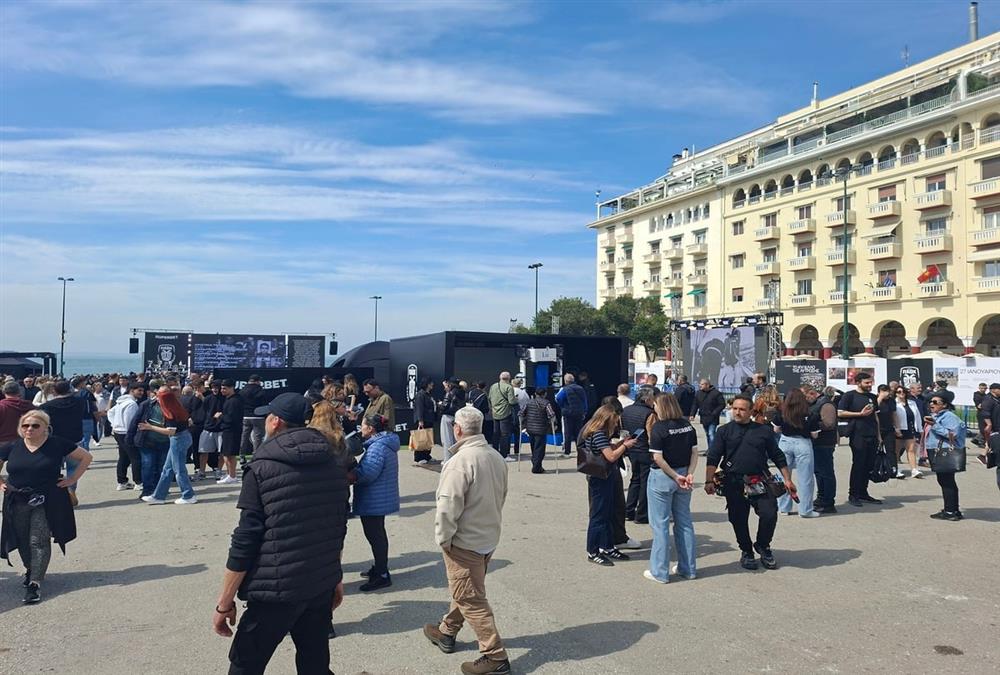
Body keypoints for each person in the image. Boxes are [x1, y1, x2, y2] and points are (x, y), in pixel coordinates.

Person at [212, 393, 349, 674]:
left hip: (275, 590)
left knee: (244, 664)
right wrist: (335, 577)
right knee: (315, 662)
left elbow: (245, 539)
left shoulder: (261, 467)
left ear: (275, 421)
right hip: (318, 583)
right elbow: (336, 526)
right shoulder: (333, 464)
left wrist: (225, 602)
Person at [423, 406, 510, 675]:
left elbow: (448, 507)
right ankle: (447, 630)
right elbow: (502, 495)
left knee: (470, 597)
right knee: (467, 587)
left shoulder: (459, 462)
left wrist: (443, 539)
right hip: (488, 536)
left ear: (456, 429)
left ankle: (494, 655)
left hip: (464, 541)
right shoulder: (495, 456)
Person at [0, 410, 92, 604]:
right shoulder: (12, 446)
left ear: (45, 428)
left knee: (38, 539)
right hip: (17, 499)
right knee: (22, 539)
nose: (30, 429)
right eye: (25, 426)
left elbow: (86, 458)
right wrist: (0, 482)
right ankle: (31, 569)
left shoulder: (57, 444)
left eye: (35, 425)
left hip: (47, 498)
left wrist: (72, 479)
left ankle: (35, 582)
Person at [705, 395, 795, 571]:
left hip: (759, 479)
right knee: (738, 519)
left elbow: (777, 455)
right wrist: (709, 480)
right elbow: (713, 456)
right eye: (735, 408)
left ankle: (763, 546)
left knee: (769, 513)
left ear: (751, 411)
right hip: (733, 481)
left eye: (742, 409)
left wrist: (788, 479)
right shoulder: (724, 431)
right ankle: (746, 551)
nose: (737, 412)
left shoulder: (764, 431)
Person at [645, 393, 698, 584]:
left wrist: (675, 476)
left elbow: (658, 458)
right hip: (684, 472)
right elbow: (694, 453)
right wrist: (689, 473)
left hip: (663, 476)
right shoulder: (687, 426)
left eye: (656, 405)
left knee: (660, 525)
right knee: (684, 522)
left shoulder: (659, 428)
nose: (654, 408)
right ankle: (688, 568)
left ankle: (660, 571)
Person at [580, 404, 637, 566]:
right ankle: (593, 550)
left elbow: (607, 450)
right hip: (600, 477)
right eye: (616, 418)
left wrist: (621, 444)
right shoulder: (598, 434)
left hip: (605, 475)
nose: (618, 421)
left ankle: (607, 546)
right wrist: (624, 446)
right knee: (598, 515)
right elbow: (611, 456)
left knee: (607, 512)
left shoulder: (600, 433)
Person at [352, 414, 400, 591]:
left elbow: (367, 474)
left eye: (363, 426)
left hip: (374, 499)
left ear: (371, 429)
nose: (361, 428)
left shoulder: (377, 447)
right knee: (377, 534)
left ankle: (382, 573)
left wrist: (352, 471)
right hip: (378, 498)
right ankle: (380, 567)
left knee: (375, 536)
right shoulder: (382, 444)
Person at [141, 386, 197, 505]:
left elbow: (171, 431)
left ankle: (188, 495)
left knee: (179, 469)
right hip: (182, 437)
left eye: (159, 397)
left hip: (178, 439)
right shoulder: (177, 407)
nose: (156, 398)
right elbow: (188, 422)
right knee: (167, 469)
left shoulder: (170, 412)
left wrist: (150, 427)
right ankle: (159, 496)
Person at [772, 389, 820, 518]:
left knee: (783, 476)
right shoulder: (810, 414)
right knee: (805, 478)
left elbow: (776, 429)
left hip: (785, 442)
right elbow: (815, 434)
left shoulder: (782, 413)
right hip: (803, 443)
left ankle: (783, 507)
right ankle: (805, 510)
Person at [837, 372, 882, 507]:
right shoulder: (849, 396)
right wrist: (859, 414)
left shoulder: (873, 397)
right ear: (858, 382)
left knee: (869, 465)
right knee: (858, 464)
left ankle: (863, 492)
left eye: (871, 382)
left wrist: (879, 436)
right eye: (867, 383)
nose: (870, 385)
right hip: (858, 434)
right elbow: (840, 412)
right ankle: (853, 494)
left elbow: (876, 417)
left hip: (872, 434)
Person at [40, 380, 86, 506]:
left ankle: (56, 493)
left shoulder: (47, 406)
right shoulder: (80, 401)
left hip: (56, 441)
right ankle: (71, 489)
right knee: (73, 470)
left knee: (53, 469)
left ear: (54, 391)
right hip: (76, 439)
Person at [924, 395, 966, 521]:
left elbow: (953, 434)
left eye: (936, 402)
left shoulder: (949, 416)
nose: (932, 404)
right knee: (945, 481)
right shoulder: (938, 416)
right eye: (931, 401)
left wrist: (935, 425)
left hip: (945, 452)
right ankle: (952, 509)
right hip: (938, 451)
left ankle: (950, 511)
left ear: (945, 405)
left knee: (946, 481)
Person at [622, 387, 656, 524]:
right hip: (644, 450)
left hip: (631, 448)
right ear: (647, 399)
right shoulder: (650, 414)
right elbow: (651, 435)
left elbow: (623, 430)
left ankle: (628, 510)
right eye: (653, 399)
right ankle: (642, 514)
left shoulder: (626, 410)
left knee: (635, 480)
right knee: (645, 482)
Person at [802, 385, 839, 513]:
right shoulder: (817, 403)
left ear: (812, 393)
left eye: (805, 396)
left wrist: (808, 424)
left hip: (825, 443)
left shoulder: (826, 404)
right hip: (817, 443)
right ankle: (821, 497)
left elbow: (829, 423)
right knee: (819, 472)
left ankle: (828, 501)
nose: (804, 400)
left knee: (826, 473)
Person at [109, 382, 144, 490]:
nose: (141, 393)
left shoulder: (121, 401)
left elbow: (110, 412)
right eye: (139, 390)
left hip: (118, 432)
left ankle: (122, 482)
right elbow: (131, 421)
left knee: (124, 457)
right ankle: (138, 482)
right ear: (132, 390)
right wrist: (132, 432)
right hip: (127, 433)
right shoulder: (132, 404)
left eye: (142, 390)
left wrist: (114, 424)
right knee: (136, 458)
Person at [519, 387, 555, 474]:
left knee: (534, 447)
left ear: (535, 394)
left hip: (530, 428)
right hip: (541, 429)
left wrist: (522, 423)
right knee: (540, 448)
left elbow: (521, 413)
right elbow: (551, 414)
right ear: (545, 394)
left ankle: (536, 463)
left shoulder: (529, 402)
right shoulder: (546, 403)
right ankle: (536, 467)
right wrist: (553, 422)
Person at [487, 372, 518, 462]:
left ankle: (495, 453)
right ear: (508, 378)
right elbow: (512, 402)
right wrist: (516, 399)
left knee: (496, 433)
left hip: (495, 412)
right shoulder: (509, 387)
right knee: (504, 435)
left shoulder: (493, 386)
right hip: (505, 413)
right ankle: (504, 455)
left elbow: (489, 398)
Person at [893, 385, 924, 479]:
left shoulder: (912, 403)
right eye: (899, 392)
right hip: (899, 428)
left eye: (903, 391)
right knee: (896, 451)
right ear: (895, 393)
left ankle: (914, 470)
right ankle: (896, 469)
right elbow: (892, 417)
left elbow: (917, 416)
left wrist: (920, 429)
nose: (901, 393)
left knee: (911, 450)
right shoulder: (894, 403)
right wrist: (895, 428)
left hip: (910, 428)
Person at [217, 380, 244, 485]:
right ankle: (230, 474)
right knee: (226, 453)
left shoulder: (234, 401)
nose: (222, 390)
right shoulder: (228, 400)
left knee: (230, 454)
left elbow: (231, 418)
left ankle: (232, 476)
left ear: (232, 388)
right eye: (222, 388)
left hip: (232, 430)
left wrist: (220, 416)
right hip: (227, 429)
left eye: (225, 388)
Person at [555, 373, 587, 457]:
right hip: (579, 413)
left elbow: (558, 398)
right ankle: (580, 451)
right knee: (578, 433)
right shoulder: (581, 388)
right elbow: (584, 401)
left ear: (566, 381)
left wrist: (563, 406)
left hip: (568, 413)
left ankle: (567, 452)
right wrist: (584, 411)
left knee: (567, 433)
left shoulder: (564, 389)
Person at [238, 375, 267, 466]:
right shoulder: (260, 390)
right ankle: (256, 455)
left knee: (244, 436)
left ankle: (242, 456)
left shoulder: (242, 391)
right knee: (258, 437)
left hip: (245, 416)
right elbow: (264, 403)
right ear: (256, 381)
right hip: (258, 416)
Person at [198, 381, 225, 480]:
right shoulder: (208, 399)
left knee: (222, 452)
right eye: (213, 387)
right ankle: (202, 471)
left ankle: (219, 470)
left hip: (221, 428)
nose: (215, 389)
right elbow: (205, 410)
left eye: (217, 387)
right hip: (208, 427)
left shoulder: (225, 398)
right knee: (203, 451)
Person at [689, 379, 725, 448]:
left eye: (702, 384)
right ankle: (709, 449)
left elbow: (722, 404)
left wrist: (714, 412)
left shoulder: (716, 393)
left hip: (713, 418)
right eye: (700, 384)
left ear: (707, 385)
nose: (700, 385)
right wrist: (692, 414)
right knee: (707, 434)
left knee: (711, 433)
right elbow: (695, 405)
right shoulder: (698, 393)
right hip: (704, 417)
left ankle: (713, 451)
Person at [438, 378, 465, 463]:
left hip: (448, 416)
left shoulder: (449, 393)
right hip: (457, 417)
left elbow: (444, 406)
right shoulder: (462, 392)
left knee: (447, 440)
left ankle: (448, 460)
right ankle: (455, 459)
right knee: (455, 440)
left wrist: (439, 404)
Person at [412, 377, 436, 464]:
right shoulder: (420, 394)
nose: (432, 385)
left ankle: (427, 455)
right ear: (427, 384)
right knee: (421, 438)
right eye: (430, 383)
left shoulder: (429, 394)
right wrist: (420, 420)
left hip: (429, 419)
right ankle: (419, 457)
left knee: (428, 439)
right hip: (423, 419)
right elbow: (419, 408)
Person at [973, 382, 988, 446]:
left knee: (985, 427)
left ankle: (976, 439)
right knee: (983, 428)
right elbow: (978, 404)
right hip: (981, 413)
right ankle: (981, 441)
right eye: (981, 388)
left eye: (984, 388)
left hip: (985, 413)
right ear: (979, 388)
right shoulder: (977, 394)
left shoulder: (986, 396)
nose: (983, 390)